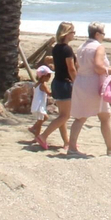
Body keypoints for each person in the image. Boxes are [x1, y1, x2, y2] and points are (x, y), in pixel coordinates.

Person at [66, 22, 111, 156]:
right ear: (97, 34)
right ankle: (110, 148)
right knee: (105, 116)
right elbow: (97, 66)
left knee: (80, 117)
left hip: (81, 82)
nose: (103, 36)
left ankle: (72, 147)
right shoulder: (98, 47)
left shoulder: (81, 47)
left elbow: (79, 66)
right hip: (94, 84)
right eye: (103, 34)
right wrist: (110, 70)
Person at [37, 23, 77, 151]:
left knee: (62, 115)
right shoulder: (67, 49)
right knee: (65, 116)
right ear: (67, 33)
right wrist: (77, 82)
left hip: (57, 83)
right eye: (73, 32)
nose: (74, 34)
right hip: (65, 84)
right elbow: (71, 68)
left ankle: (66, 142)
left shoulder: (56, 48)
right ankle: (43, 136)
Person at [28, 65, 53, 147]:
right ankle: (36, 136)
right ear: (43, 77)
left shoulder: (36, 84)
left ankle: (33, 129)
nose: (50, 77)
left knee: (44, 118)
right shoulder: (43, 85)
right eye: (48, 76)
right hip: (39, 106)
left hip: (37, 105)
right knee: (40, 122)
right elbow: (49, 93)